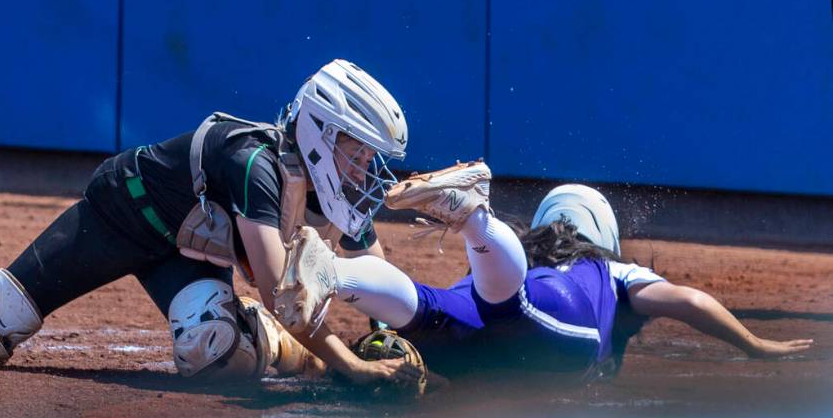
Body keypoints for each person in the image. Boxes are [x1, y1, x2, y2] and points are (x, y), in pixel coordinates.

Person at [0, 59, 419, 384]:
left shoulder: (333, 188)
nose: (367, 168)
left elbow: (376, 278)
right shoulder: (256, 165)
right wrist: (351, 368)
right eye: (357, 150)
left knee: (216, 354)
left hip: (187, 252)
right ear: (321, 135)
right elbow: (284, 295)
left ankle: (267, 345)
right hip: (123, 213)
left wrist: (389, 336)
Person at [273, 160, 813, 379]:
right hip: (552, 317)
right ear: (601, 234)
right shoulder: (611, 271)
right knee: (514, 305)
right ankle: (473, 217)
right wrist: (756, 346)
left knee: (425, 308)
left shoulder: (533, 257)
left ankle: (335, 274)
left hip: (479, 320)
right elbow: (689, 301)